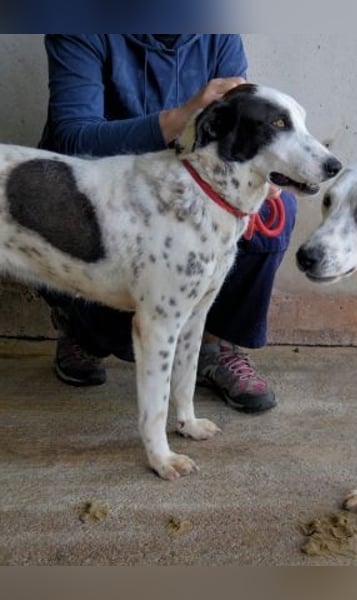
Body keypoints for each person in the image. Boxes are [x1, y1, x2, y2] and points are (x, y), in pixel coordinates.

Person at [38, 34, 297, 414]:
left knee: (277, 210)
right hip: (100, 193)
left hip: (180, 190)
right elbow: (74, 136)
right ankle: (82, 331)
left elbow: (237, 132)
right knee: (125, 335)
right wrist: (183, 116)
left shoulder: (219, 34)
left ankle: (214, 345)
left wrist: (264, 171)